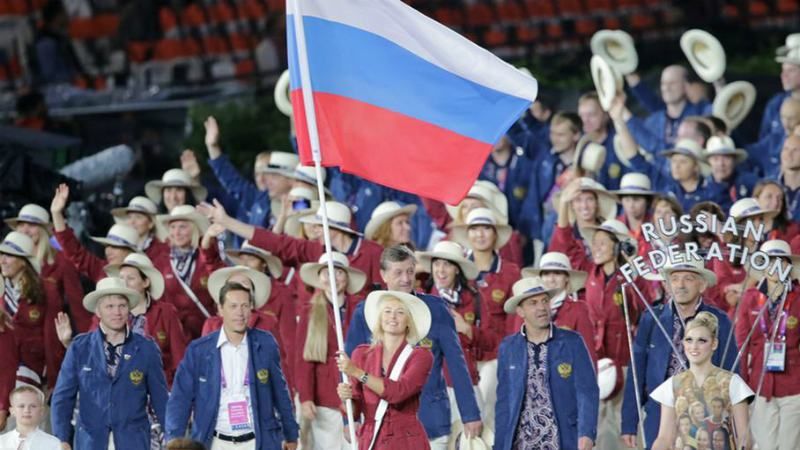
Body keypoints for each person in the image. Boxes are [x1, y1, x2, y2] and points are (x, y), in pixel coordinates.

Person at [344, 246, 482, 449]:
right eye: (398, 272)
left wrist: (470, 413)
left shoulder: (436, 309)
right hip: (380, 424)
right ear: (383, 275)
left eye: (410, 271)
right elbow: (350, 369)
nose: (406, 279)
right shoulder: (364, 312)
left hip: (430, 420)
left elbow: (457, 364)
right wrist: (349, 418)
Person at [165, 281, 298, 450]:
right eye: (233, 306)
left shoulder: (265, 343)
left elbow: (280, 392)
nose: (240, 313)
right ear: (220, 309)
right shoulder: (198, 350)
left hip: (258, 441)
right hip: (214, 442)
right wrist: (173, 438)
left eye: (244, 306)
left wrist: (291, 433)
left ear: (251, 308)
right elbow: (180, 398)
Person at [622, 258, 737, 449]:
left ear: (702, 285)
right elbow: (636, 372)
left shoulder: (720, 321)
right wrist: (629, 423)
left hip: (704, 414)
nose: (680, 285)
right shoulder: (652, 318)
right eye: (675, 279)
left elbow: (732, 372)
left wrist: (733, 422)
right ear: (667, 285)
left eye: (688, 279)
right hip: (658, 414)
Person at [51, 277, 169, 450]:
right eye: (110, 306)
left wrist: (172, 436)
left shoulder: (146, 348)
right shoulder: (79, 347)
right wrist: (61, 438)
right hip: (90, 443)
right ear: (98, 311)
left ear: (129, 309)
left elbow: (161, 400)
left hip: (134, 442)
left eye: (122, 305)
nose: (117, 312)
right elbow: (62, 398)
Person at [494, 276, 598, 450]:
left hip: (563, 440)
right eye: (533, 303)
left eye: (544, 301)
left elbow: (587, 392)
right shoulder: (508, 347)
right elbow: (504, 402)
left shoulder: (573, 342)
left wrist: (587, 433)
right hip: (521, 443)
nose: (541, 307)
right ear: (520, 311)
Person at [203, 200, 383, 297]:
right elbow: (274, 242)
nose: (314, 230)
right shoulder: (316, 250)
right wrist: (227, 221)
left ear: (337, 229)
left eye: (319, 226)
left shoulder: (373, 252)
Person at [417, 240, 498, 439]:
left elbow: (492, 341)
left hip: (468, 385)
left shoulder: (475, 299)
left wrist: (468, 330)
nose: (441, 270)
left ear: (457, 270)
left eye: (447, 264)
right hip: (434, 390)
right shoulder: (421, 301)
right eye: (437, 264)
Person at [336, 290, 434, 450]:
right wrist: (346, 398)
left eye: (400, 312)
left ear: (409, 321)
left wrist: (358, 373)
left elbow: (398, 393)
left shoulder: (421, 356)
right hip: (372, 439)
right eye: (387, 311)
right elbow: (354, 411)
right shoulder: (361, 354)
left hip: (407, 442)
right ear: (380, 319)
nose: (392, 317)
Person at [450, 207, 520, 427]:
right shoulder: (456, 268)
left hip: (495, 356)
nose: (480, 234)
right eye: (474, 229)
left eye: (486, 228)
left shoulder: (511, 272)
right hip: (462, 357)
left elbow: (515, 320)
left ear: (495, 234)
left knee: (488, 415)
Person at [649, 312, 753, 450]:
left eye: (702, 341)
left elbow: (744, 435)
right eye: (689, 340)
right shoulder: (672, 385)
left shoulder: (732, 382)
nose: (694, 347)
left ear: (714, 343)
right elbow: (664, 438)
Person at [734, 239, 800, 450]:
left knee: (790, 445)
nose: (774, 267)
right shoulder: (750, 299)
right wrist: (741, 388)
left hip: (795, 385)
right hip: (760, 385)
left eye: (780, 262)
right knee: (765, 446)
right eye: (768, 261)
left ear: (789, 266)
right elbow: (741, 346)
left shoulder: (798, 298)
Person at [297, 252, 366, 450]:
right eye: (326, 273)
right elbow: (303, 360)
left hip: (357, 395)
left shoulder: (360, 308)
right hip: (325, 398)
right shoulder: (309, 311)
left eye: (338, 272)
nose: (332, 278)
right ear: (319, 278)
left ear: (347, 277)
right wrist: (306, 396)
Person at [5, 203, 90, 333]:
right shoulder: (6, 262)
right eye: (21, 225)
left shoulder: (62, 262)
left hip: (49, 342)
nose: (25, 230)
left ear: (44, 230)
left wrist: (88, 342)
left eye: (32, 225)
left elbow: (77, 306)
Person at [203, 116, 297, 233]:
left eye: (273, 176)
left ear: (292, 179)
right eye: (257, 174)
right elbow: (232, 181)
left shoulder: (305, 203)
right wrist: (212, 147)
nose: (264, 180)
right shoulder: (259, 200)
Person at [0, 231, 63, 390]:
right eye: (1, 255)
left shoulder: (47, 289)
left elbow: (52, 336)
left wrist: (53, 378)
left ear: (23, 261)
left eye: (9, 256)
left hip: (31, 368)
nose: (2, 261)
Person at [155, 205, 224, 339]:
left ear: (195, 228)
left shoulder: (209, 256)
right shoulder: (160, 262)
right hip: (176, 336)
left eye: (182, 227)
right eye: (173, 227)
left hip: (209, 334)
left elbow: (222, 285)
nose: (176, 233)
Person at [515, 251, 597, 362]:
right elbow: (517, 346)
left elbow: (587, 352)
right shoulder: (526, 307)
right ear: (540, 278)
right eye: (546, 274)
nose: (551, 279)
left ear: (567, 278)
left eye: (557, 273)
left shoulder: (579, 310)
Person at [51, 184, 140, 281]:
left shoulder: (145, 275)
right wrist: (56, 214)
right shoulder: (102, 270)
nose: (109, 251)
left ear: (131, 252)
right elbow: (74, 251)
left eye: (115, 246)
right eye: (107, 246)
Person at [110, 196, 171, 261]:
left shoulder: (162, 251)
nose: (132, 222)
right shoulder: (120, 248)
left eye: (138, 217)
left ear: (151, 224)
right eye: (129, 217)